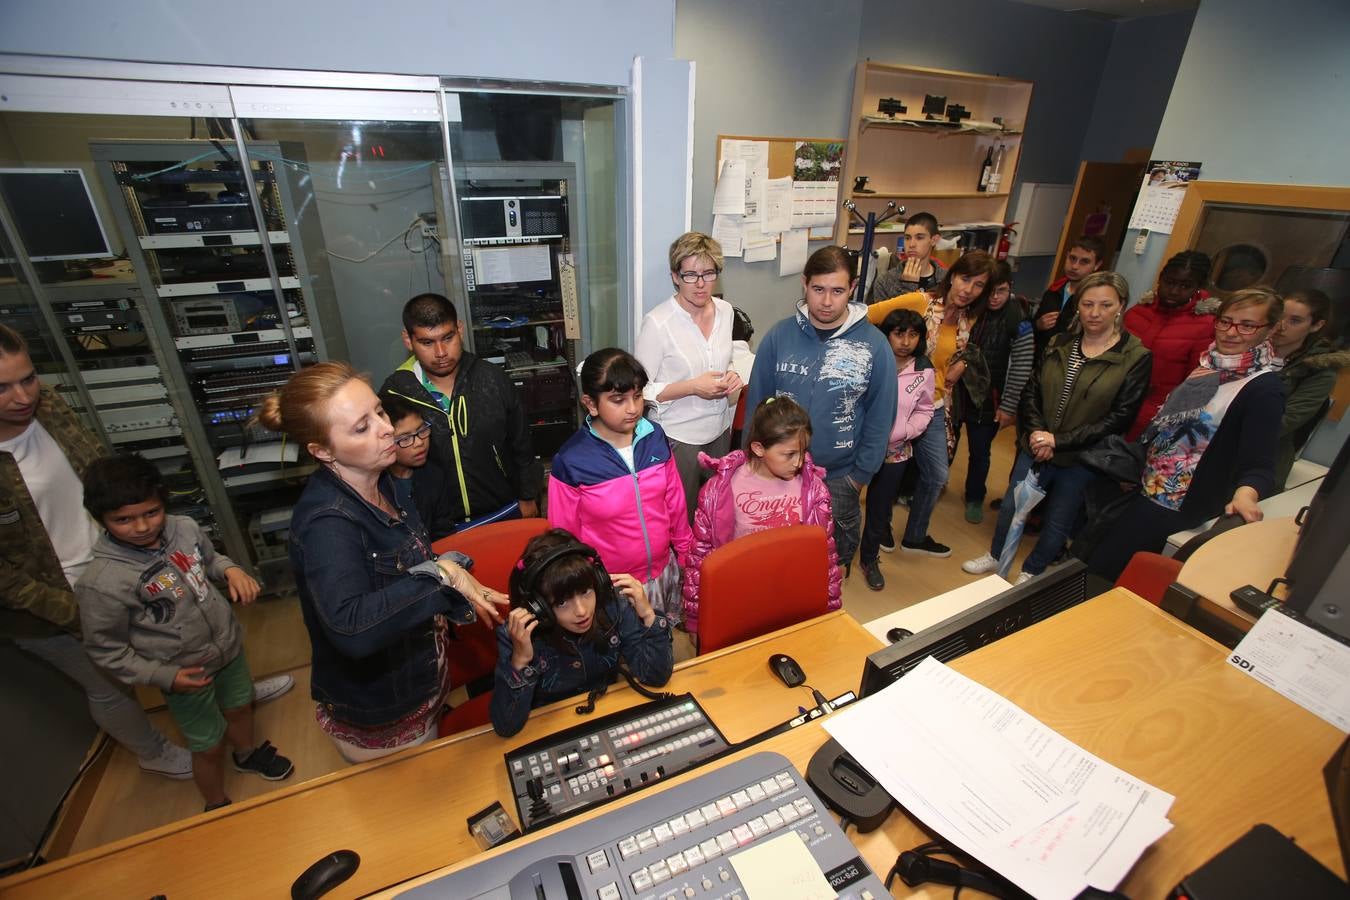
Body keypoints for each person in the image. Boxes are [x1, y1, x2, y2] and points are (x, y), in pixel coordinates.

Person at [0, 325, 289, 782]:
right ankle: (157, 752)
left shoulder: (49, 406)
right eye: (2, 388)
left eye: (28, 379)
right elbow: (8, 579)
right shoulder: (97, 587)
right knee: (110, 684)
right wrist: (77, 610)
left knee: (193, 631)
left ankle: (236, 698)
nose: (23, 397)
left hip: (130, 558)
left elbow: (105, 476)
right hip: (56, 598)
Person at [258, 362, 504, 763]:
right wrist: (441, 575)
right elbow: (352, 626)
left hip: (422, 680)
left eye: (379, 412)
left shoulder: (384, 479)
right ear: (322, 451)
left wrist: (448, 571)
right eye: (362, 427)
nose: (386, 428)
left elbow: (405, 567)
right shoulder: (327, 525)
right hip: (387, 711)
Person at [75, 454, 292, 811]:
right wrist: (164, 676)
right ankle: (216, 803)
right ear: (100, 518)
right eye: (123, 520)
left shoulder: (185, 528)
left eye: (152, 512)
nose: (142, 527)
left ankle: (247, 754)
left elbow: (211, 560)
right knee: (207, 745)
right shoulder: (102, 582)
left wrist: (232, 570)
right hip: (183, 674)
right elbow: (106, 650)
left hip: (227, 650)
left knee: (240, 706)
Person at [1087, 288, 1286, 582]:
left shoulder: (1263, 389)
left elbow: (1260, 465)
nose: (1231, 332)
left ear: (1270, 329)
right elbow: (1167, 429)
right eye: (1225, 321)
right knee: (1098, 563)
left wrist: (1246, 494)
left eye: (1247, 325)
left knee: (1116, 577)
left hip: (1177, 506)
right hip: (1146, 488)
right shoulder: (1209, 365)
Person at [964, 272, 1151, 584]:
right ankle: (997, 555)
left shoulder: (1135, 357)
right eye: (1087, 304)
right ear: (1077, 305)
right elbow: (1032, 390)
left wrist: (1059, 441)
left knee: (1058, 519)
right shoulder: (1059, 342)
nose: (1094, 313)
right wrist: (1038, 433)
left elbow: (1120, 416)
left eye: (1105, 305)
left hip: (1082, 456)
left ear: (1121, 306)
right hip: (1037, 445)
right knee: (1011, 505)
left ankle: (1032, 571)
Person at [743, 246, 897, 575]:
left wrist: (859, 477)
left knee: (827, 569)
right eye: (818, 289)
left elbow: (881, 416)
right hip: (777, 473)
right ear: (804, 284)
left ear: (852, 288)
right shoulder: (779, 337)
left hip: (840, 478)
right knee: (776, 563)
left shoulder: (875, 345)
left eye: (837, 291)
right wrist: (753, 464)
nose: (826, 301)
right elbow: (757, 406)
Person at [867, 250, 998, 558]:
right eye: (965, 279)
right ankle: (880, 526)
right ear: (952, 276)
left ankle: (915, 536)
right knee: (890, 472)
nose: (968, 289)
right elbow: (868, 316)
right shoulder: (921, 301)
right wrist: (879, 361)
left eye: (978, 285)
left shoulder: (969, 318)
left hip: (935, 404)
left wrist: (963, 364)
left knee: (937, 475)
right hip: (898, 403)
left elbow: (961, 352)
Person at [548, 348, 692, 623]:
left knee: (658, 636)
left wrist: (686, 550)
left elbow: (674, 500)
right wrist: (584, 581)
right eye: (618, 400)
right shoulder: (572, 460)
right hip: (611, 584)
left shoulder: (655, 437)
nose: (633, 408)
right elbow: (564, 536)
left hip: (662, 570)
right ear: (591, 404)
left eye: (637, 396)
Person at [381, 293, 542, 531]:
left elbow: (521, 443)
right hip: (436, 526)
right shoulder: (395, 393)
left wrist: (528, 496)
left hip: (503, 510)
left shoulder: (492, 379)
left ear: (460, 329)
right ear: (408, 340)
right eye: (427, 342)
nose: (441, 352)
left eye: (448, 338)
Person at [490, 528, 673, 736]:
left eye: (586, 591)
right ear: (539, 608)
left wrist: (648, 615)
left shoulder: (613, 607)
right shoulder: (519, 635)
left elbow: (656, 676)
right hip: (549, 726)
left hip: (605, 713)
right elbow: (506, 727)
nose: (581, 611)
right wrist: (520, 662)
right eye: (562, 602)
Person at [682, 397, 842, 631]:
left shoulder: (813, 490)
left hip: (790, 594)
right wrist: (696, 619)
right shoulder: (720, 491)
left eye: (803, 452)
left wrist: (829, 608)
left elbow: (825, 555)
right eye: (789, 454)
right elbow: (700, 557)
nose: (799, 462)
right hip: (740, 597)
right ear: (758, 448)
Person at [634, 233, 741, 521]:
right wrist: (692, 387)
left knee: (715, 514)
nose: (700, 283)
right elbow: (639, 390)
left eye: (708, 273)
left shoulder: (725, 311)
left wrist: (732, 375)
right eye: (691, 275)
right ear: (675, 276)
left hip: (719, 430)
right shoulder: (658, 323)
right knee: (682, 518)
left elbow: (725, 361)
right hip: (678, 438)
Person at [858, 310, 935, 591]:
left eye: (913, 335)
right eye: (898, 334)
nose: (905, 341)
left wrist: (908, 430)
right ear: (887, 334)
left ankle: (869, 559)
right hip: (859, 447)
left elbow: (926, 408)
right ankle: (835, 555)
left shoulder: (923, 370)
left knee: (879, 510)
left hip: (896, 452)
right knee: (843, 505)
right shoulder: (871, 361)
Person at [954, 260, 1032, 523]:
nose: (995, 297)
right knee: (946, 445)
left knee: (980, 452)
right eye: (990, 291)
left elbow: (1021, 366)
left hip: (990, 399)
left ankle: (975, 497)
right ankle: (933, 484)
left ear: (1010, 287)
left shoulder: (1018, 318)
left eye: (1002, 291)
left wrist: (1008, 406)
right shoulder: (968, 310)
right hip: (958, 394)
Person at [1122, 251, 1216, 440]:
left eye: (1185, 286)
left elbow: (1193, 383)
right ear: (1160, 279)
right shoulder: (1138, 312)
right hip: (1116, 403)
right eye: (1169, 282)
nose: (1174, 291)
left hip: (1157, 415)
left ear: (1198, 287)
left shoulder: (1204, 325)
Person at [1271, 289, 1348, 485]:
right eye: (1279, 316)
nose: (1281, 325)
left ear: (1316, 325)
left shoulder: (1319, 371)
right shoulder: (1249, 349)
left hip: (1264, 459)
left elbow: (1285, 421)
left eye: (1295, 321)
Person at [377, 390, 457, 542]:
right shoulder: (375, 486)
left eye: (422, 430)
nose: (420, 442)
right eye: (405, 438)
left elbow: (444, 534)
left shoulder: (434, 475)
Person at [1032, 235, 1106, 355]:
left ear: (1097, 265)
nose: (1075, 266)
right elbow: (1034, 329)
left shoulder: (1095, 302)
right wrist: (1037, 325)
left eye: (1084, 262)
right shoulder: (1053, 291)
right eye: (1072, 258)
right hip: (1041, 359)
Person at [865, 212, 946, 302]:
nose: (911, 244)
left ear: (934, 240)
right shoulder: (885, 282)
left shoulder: (947, 279)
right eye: (907, 238)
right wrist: (908, 287)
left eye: (919, 238)